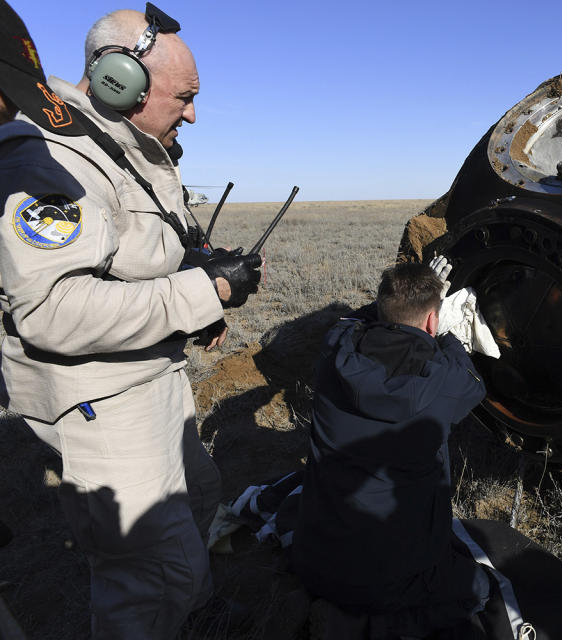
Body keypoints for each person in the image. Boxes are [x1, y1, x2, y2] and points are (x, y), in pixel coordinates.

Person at [0, 3, 262, 637]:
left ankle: (195, 617)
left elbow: (126, 261)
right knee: (147, 571)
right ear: (122, 78)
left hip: (150, 376)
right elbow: (52, 310)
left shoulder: (112, 148)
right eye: (186, 96)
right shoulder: (49, 158)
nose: (194, 113)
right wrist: (205, 291)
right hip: (103, 400)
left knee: (196, 502)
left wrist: (194, 274)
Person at [292, 261, 490, 639]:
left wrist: (400, 301)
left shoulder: (335, 348)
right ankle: (357, 626)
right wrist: (447, 336)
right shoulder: (445, 383)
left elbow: (354, 319)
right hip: (387, 583)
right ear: (432, 323)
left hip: (312, 559)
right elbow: (473, 381)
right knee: (478, 589)